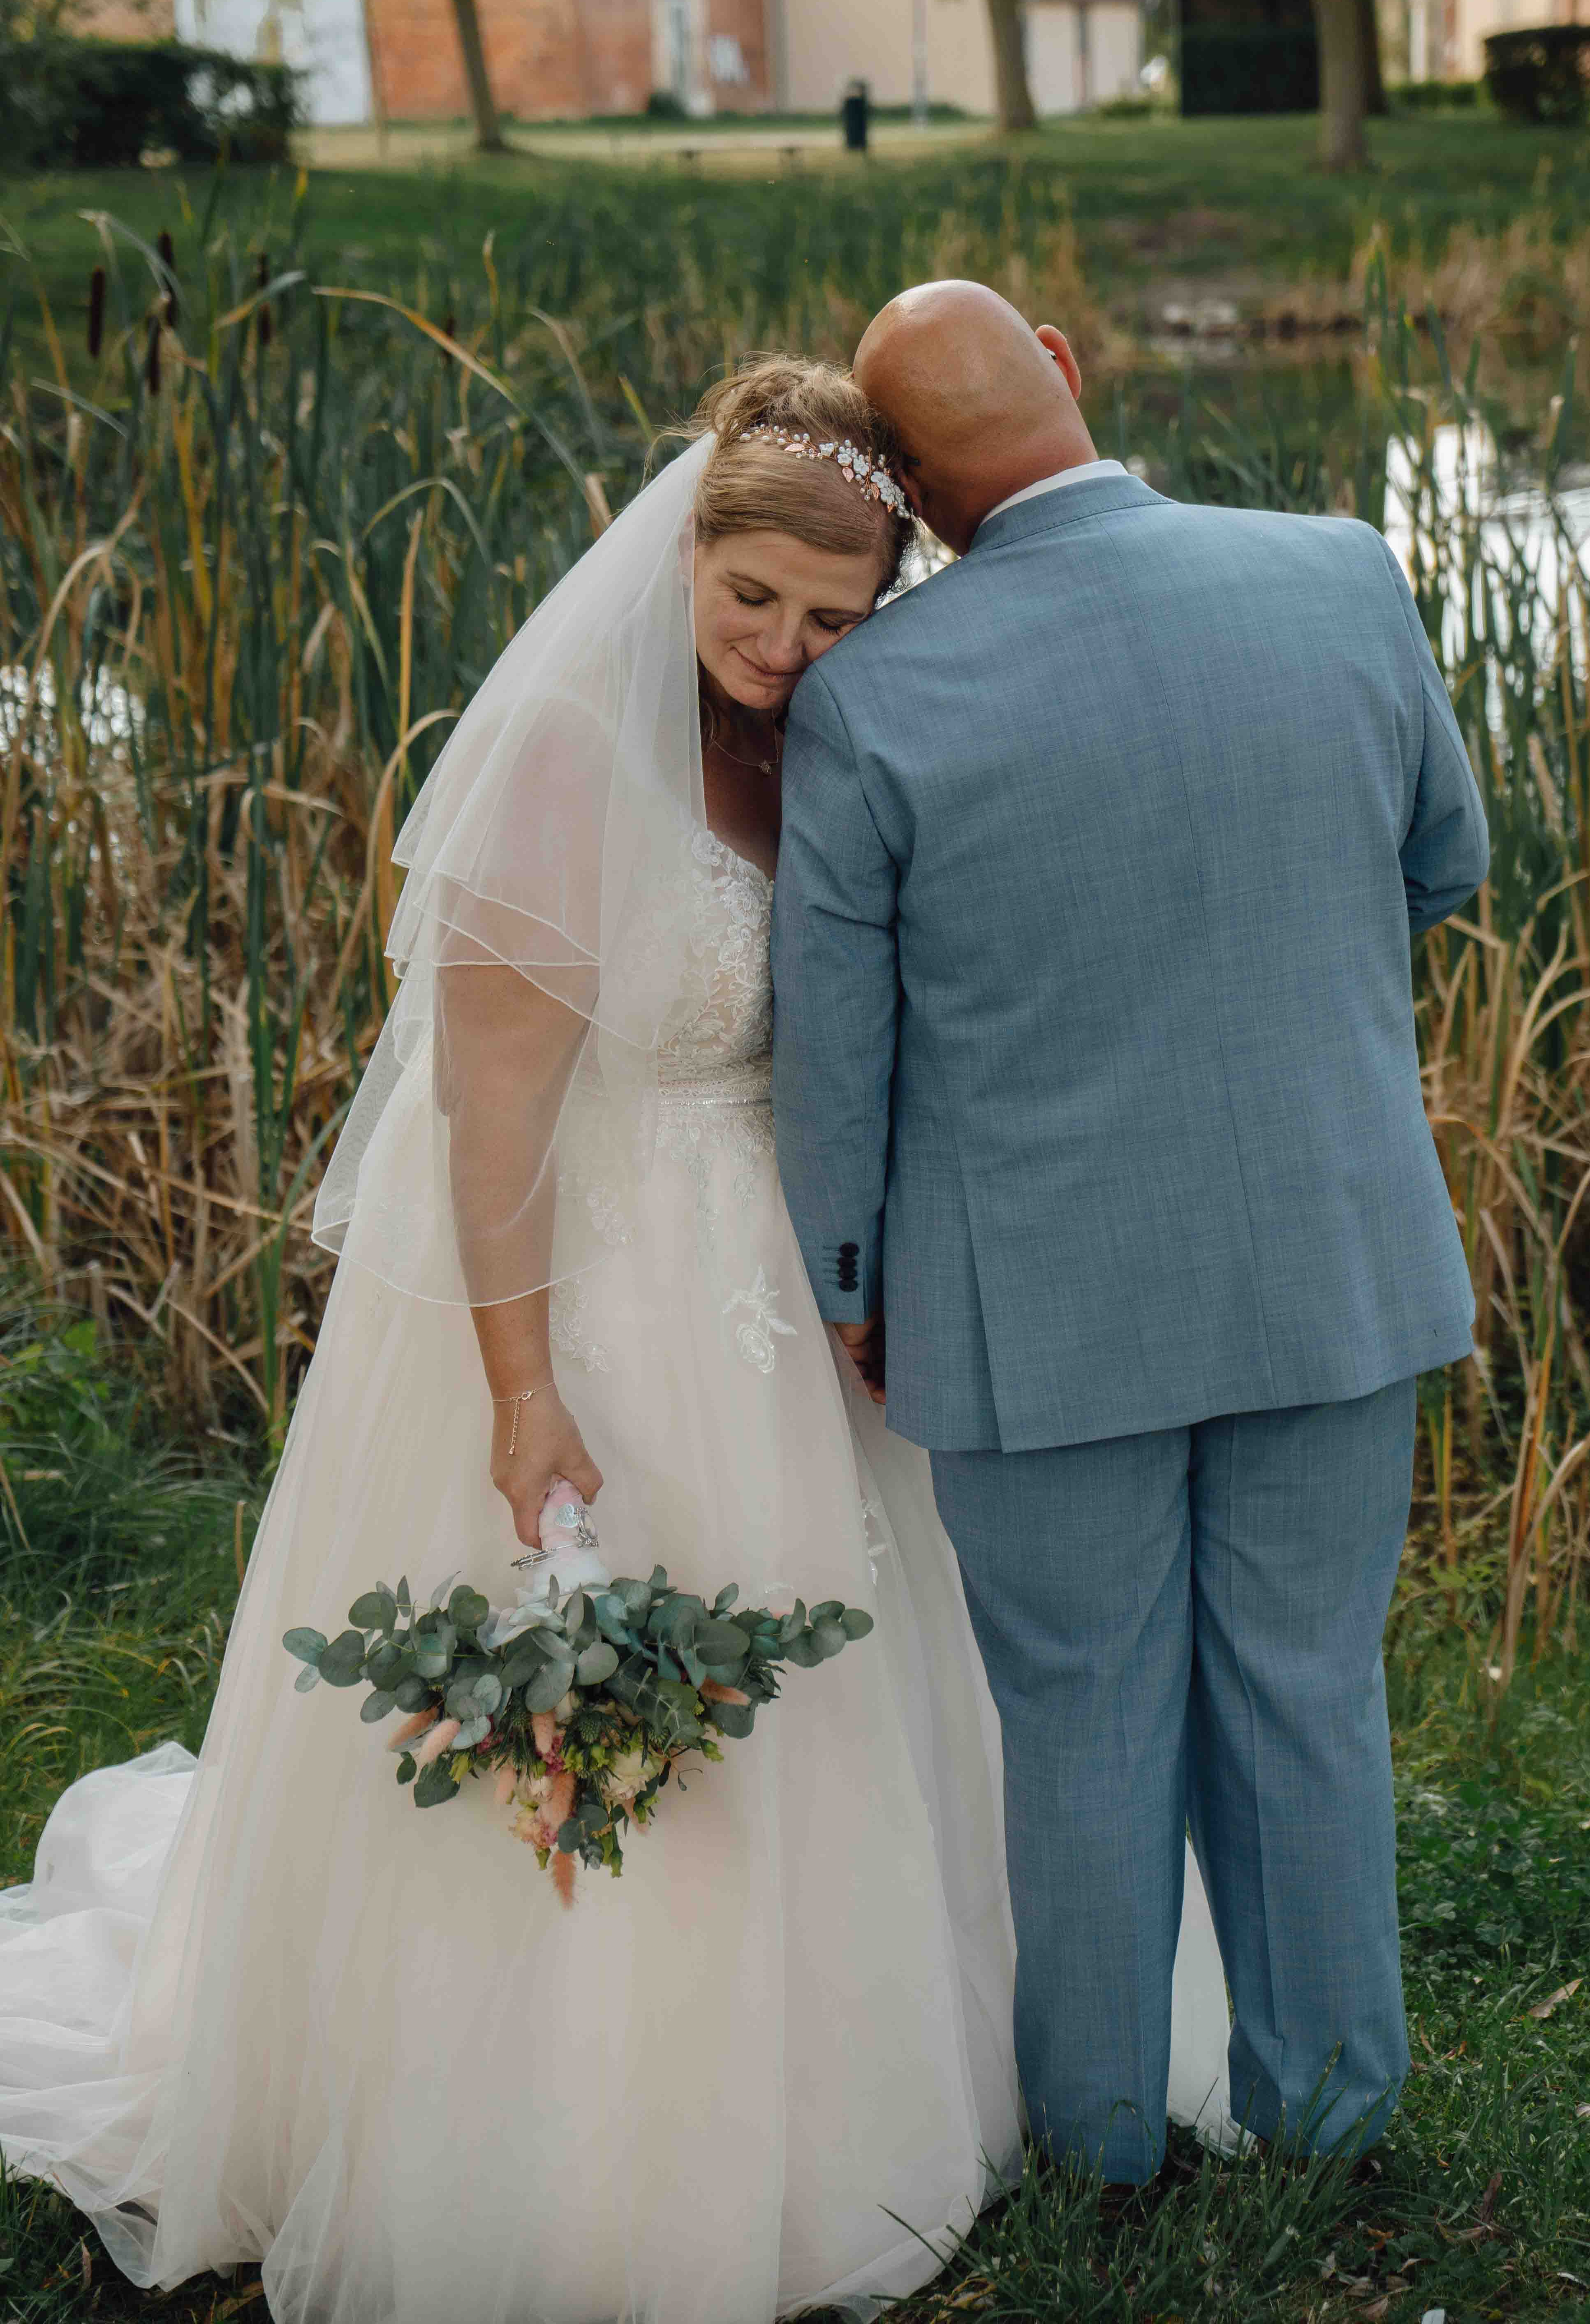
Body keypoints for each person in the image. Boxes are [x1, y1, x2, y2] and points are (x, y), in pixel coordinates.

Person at [0, 356, 1232, 2324]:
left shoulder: (819, 747)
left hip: (792, 1299)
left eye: (832, 619)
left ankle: (895, 2070)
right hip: (592, 1297)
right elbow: (486, 1128)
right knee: (610, 1666)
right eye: (752, 598)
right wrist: (519, 1389)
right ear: (686, 550)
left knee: (856, 1682)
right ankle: (566, 2133)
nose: (783, 646)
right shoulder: (574, 762)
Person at [773, 281, 1489, 2184]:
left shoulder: (868, 696)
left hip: (1032, 1304)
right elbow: (1446, 860)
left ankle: (1099, 2153)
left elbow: (840, 1054)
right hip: (1329, 1258)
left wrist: (851, 1281)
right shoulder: (1340, 572)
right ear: (1070, 377)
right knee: (1307, 1692)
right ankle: (1331, 2122)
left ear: (914, 500)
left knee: (1083, 1720)